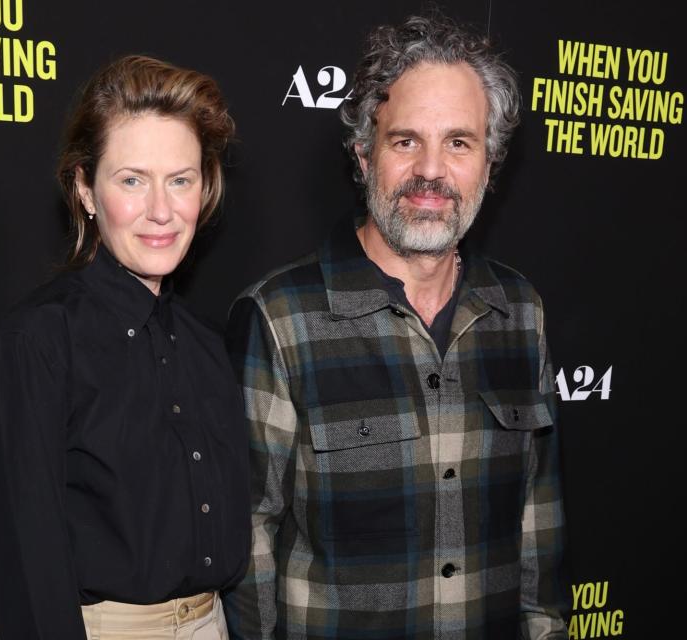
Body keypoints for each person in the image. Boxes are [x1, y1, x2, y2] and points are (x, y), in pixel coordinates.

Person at [224, 13, 568, 640]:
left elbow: (535, 526)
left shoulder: (521, 312)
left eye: (459, 143)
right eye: (406, 141)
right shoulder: (279, 319)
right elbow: (246, 543)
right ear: (363, 154)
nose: (431, 172)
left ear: (489, 163)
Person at [0, 55, 249, 640]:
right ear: (85, 189)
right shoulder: (32, 347)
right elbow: (26, 566)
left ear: (206, 189)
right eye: (132, 180)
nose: (161, 210)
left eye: (181, 180)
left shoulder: (207, 343)